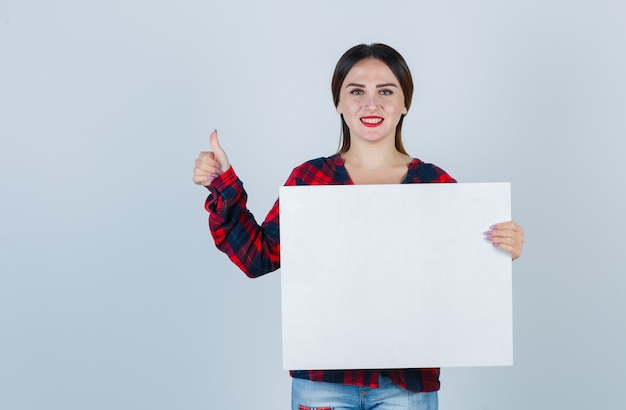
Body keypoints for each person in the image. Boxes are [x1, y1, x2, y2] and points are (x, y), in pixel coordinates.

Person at [193, 43, 525, 410]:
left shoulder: (436, 184)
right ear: (338, 102)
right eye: (356, 92)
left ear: (405, 103)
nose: (372, 104)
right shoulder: (310, 179)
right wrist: (223, 184)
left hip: (407, 384)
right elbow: (258, 257)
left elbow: (458, 278)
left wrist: (499, 251)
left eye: (386, 91)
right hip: (323, 383)